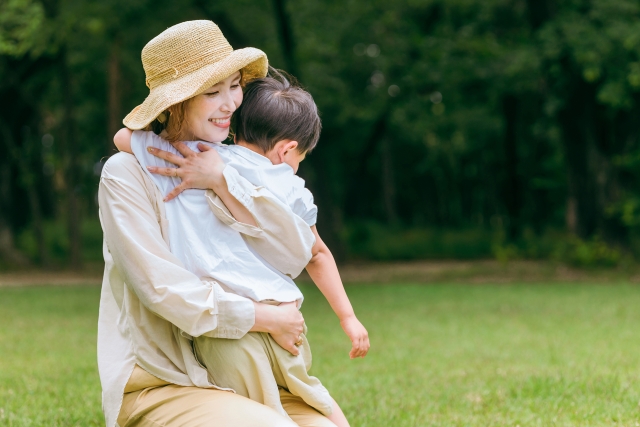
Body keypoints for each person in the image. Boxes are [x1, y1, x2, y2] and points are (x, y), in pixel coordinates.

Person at [98, 20, 337, 427]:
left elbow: (296, 252)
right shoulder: (126, 175)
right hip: (167, 382)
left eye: (233, 86)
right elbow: (164, 289)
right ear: (174, 104)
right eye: (212, 92)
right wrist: (266, 317)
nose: (230, 103)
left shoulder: (233, 164)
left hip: (263, 370)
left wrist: (224, 184)